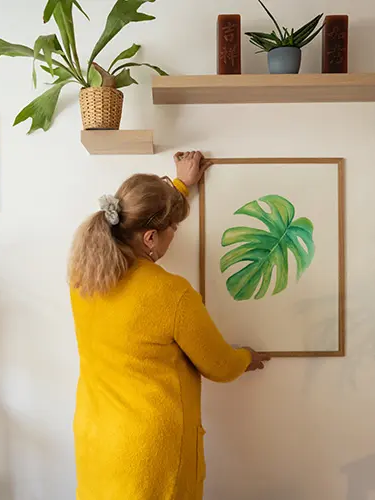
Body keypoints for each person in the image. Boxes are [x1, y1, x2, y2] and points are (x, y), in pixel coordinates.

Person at [68, 151, 270, 500]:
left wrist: (179, 186)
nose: (174, 234)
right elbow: (219, 365)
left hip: (96, 436)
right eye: (172, 228)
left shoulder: (85, 278)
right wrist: (245, 358)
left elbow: (140, 215)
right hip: (150, 451)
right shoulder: (170, 293)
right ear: (150, 238)